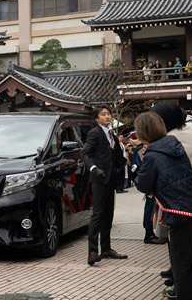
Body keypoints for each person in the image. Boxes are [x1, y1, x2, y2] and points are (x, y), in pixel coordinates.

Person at [134, 112, 192, 300]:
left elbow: (142, 185)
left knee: (182, 268)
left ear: (143, 133)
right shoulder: (174, 144)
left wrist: (139, 164)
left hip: (180, 214)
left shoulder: (152, 156)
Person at [80, 106, 128, 265]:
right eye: (103, 114)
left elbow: (114, 155)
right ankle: (92, 252)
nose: (107, 117)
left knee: (108, 214)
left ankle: (106, 248)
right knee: (98, 214)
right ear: (96, 118)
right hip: (99, 178)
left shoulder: (111, 134)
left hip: (111, 178)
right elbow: (84, 153)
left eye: (108, 114)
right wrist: (93, 168)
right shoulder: (95, 133)